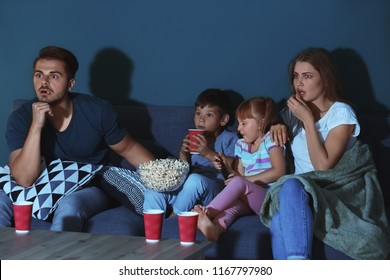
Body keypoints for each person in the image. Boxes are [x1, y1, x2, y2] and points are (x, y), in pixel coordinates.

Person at [0, 46, 155, 231]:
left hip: (85, 187)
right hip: (39, 184)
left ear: (70, 83)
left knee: (69, 207)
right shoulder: (21, 117)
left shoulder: (97, 111)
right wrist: (36, 126)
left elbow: (129, 149)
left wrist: (167, 182)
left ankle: (57, 259)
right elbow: (24, 179)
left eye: (54, 76)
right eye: (39, 75)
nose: (44, 82)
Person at [261, 47, 390, 259]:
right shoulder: (293, 113)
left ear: (326, 79)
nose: (299, 83)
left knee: (291, 185)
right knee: (280, 212)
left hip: (334, 197)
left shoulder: (340, 112)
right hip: (301, 200)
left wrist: (308, 121)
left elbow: (323, 165)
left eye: (308, 76)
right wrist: (276, 124)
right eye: (296, 76)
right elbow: (262, 122)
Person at [194, 97, 286, 241]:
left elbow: (279, 171)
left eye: (244, 123)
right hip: (249, 200)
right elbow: (239, 176)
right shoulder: (241, 145)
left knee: (238, 184)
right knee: (233, 207)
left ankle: (208, 212)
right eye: (238, 123)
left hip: (270, 198)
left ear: (261, 123)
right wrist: (225, 167)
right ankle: (216, 229)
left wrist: (242, 180)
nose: (238, 128)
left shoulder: (271, 139)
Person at [143, 89, 238, 214]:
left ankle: (173, 221)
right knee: (153, 190)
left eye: (209, 115)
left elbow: (235, 167)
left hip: (216, 191)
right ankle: (153, 226)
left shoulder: (229, 139)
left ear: (224, 120)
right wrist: (184, 154)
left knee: (195, 180)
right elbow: (185, 170)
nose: (201, 119)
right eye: (198, 113)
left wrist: (207, 153)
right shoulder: (194, 138)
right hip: (188, 191)